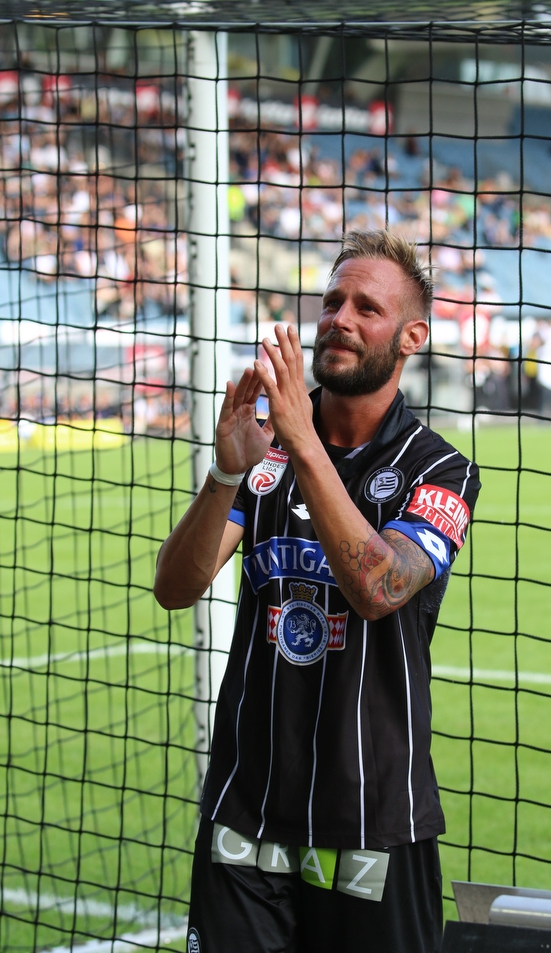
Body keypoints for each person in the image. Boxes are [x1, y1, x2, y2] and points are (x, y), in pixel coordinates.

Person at [154, 229, 481, 953]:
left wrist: (301, 443)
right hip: (246, 811)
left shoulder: (439, 470)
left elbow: (378, 586)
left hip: (369, 814)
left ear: (409, 336)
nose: (339, 317)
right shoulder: (264, 448)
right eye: (332, 300)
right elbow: (175, 587)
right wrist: (227, 475)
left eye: (367, 307)